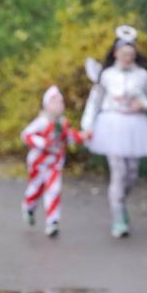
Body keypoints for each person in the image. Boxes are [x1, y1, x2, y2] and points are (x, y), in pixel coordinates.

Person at [80, 25, 147, 238]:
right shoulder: (106, 75)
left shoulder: (142, 75)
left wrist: (144, 104)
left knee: (132, 174)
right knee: (118, 172)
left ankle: (121, 202)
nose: (127, 58)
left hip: (135, 127)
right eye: (124, 54)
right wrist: (87, 127)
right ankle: (118, 217)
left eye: (131, 54)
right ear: (116, 53)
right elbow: (94, 101)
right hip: (112, 126)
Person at [21, 86, 86, 237]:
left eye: (60, 102)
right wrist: (42, 143)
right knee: (35, 189)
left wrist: (83, 136)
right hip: (38, 164)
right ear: (47, 105)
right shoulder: (41, 122)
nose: (58, 105)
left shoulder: (62, 123)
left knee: (54, 190)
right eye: (54, 102)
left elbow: (68, 136)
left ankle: (53, 222)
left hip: (54, 164)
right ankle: (29, 208)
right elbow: (26, 135)